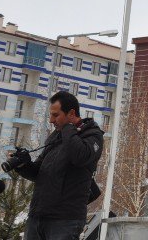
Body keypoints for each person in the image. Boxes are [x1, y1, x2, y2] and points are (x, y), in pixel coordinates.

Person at [12, 90, 105, 240]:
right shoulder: (56, 136)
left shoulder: (93, 135)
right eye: (50, 115)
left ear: (71, 113)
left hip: (65, 220)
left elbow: (79, 156)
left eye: (56, 115)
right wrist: (24, 164)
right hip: (37, 216)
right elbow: (39, 173)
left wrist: (68, 127)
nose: (51, 120)